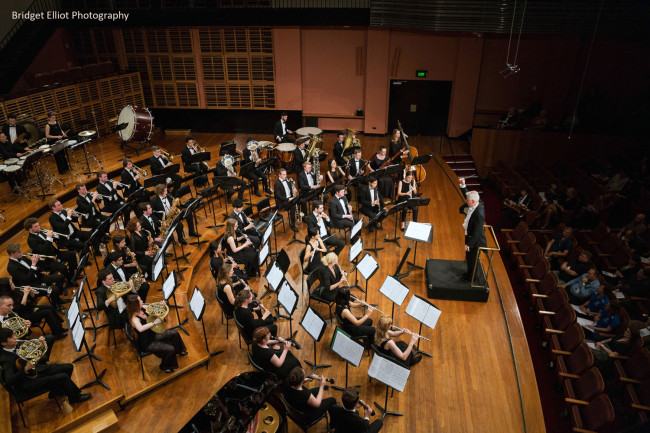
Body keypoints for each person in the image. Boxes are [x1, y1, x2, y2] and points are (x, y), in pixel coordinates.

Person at [0, 328, 91, 407]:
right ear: (4, 343)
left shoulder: (15, 345)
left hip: (36, 370)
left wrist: (40, 347)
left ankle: (56, 391)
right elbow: (9, 381)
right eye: (11, 337)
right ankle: (74, 397)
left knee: (68, 367)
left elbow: (32, 356)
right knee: (63, 377)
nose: (15, 338)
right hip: (27, 383)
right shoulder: (5, 360)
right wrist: (25, 369)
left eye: (14, 335)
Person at [126, 294, 186, 373]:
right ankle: (165, 367)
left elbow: (153, 307)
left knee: (174, 333)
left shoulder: (142, 307)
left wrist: (161, 305)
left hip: (153, 333)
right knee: (170, 349)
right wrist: (154, 322)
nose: (142, 301)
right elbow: (140, 329)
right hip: (147, 342)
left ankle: (180, 350)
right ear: (135, 305)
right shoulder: (134, 319)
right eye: (140, 301)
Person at [24, 218, 77, 286]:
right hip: (47, 261)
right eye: (36, 226)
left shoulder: (41, 231)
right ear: (30, 229)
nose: (39, 227)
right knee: (63, 267)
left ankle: (71, 275)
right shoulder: (31, 240)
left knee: (72, 254)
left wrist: (54, 236)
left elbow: (52, 241)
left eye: (38, 225)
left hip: (54, 253)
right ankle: (69, 281)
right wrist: (49, 238)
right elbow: (44, 250)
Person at [459, 177, 486, 281]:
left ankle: (472, 278)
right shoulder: (477, 201)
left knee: (472, 259)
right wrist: (463, 185)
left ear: (473, 201)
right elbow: (468, 195)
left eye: (468, 201)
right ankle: (469, 274)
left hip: (474, 241)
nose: (466, 201)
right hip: (469, 234)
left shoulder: (479, 214)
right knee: (469, 258)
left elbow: (477, 232)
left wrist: (469, 244)